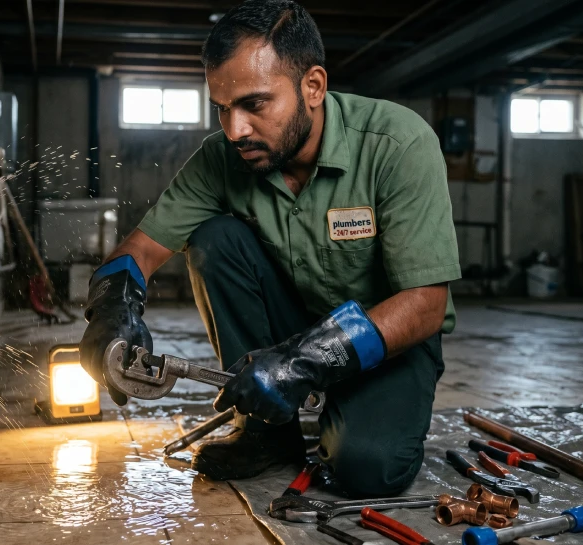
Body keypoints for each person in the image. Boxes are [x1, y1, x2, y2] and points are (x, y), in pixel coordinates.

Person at [78, 0, 461, 498]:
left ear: (313, 87)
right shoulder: (222, 159)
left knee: (367, 471)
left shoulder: (399, 144)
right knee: (216, 240)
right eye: (222, 108)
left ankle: (343, 417)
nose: (234, 130)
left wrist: (302, 363)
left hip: (390, 340)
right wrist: (111, 310)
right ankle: (266, 434)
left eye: (255, 105)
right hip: (292, 327)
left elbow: (426, 305)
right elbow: (141, 249)